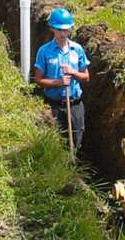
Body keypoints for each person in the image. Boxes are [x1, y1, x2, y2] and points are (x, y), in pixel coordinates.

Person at [34, 8, 90, 150]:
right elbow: (39, 80)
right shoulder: (44, 51)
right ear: (52, 28)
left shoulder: (77, 50)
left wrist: (73, 72)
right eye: (59, 30)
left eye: (66, 30)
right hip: (53, 106)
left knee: (76, 141)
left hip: (75, 105)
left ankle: (72, 167)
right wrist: (58, 83)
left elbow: (86, 77)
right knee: (55, 144)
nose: (63, 34)